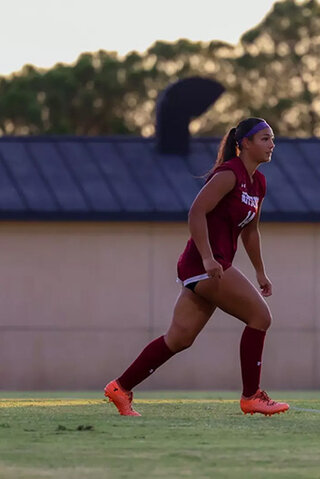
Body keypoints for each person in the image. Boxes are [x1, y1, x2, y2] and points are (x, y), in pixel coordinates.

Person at [104, 117, 289, 416]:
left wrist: (260, 271)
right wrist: (207, 257)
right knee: (260, 317)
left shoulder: (259, 183)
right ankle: (251, 396)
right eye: (265, 139)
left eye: (272, 138)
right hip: (204, 264)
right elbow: (196, 213)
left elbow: (251, 231)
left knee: (179, 339)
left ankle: (120, 388)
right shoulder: (229, 174)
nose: (272, 144)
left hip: (210, 265)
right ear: (244, 144)